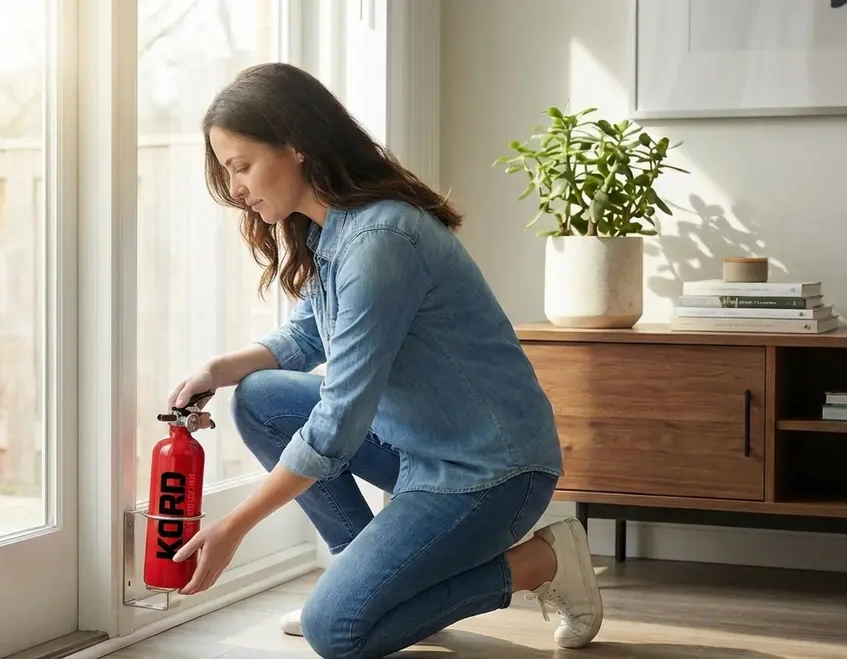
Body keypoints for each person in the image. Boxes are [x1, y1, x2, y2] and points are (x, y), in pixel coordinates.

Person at [167, 61, 603, 659]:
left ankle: (543, 562)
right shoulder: (331, 232)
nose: (236, 189)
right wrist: (217, 371)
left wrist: (234, 526)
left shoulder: (380, 243)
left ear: (295, 146)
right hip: (421, 451)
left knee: (337, 632)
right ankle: (379, 582)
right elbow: (303, 340)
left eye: (241, 166)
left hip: (489, 474)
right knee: (260, 397)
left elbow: (336, 424)